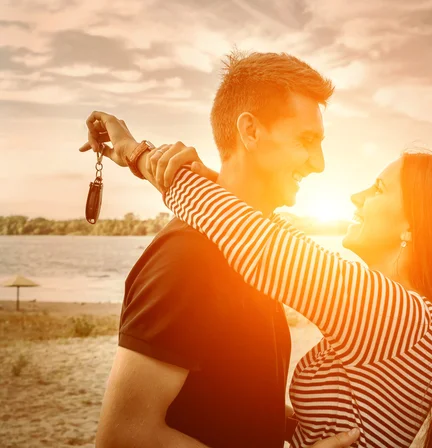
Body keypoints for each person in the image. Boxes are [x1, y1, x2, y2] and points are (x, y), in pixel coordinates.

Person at [85, 134, 432, 446]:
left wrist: (135, 153)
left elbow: (254, 242)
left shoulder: (394, 312)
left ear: (415, 225)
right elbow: (262, 231)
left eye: (378, 188)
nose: (355, 196)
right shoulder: (410, 316)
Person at [85, 52, 359, 448]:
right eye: (306, 140)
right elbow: (123, 437)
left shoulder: (253, 250)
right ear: (249, 131)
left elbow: (224, 397)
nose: (318, 163)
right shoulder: (188, 257)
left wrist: (293, 426)